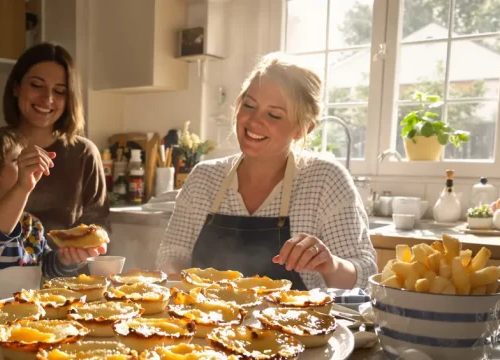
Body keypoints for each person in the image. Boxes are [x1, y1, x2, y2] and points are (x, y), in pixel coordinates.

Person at [156, 53, 377, 290]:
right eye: (249, 105)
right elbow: (172, 253)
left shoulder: (325, 180)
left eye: (274, 114)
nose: (253, 121)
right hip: (207, 323)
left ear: (303, 129)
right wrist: (181, 282)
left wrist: (331, 265)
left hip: (295, 325)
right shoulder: (204, 178)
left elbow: (364, 275)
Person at [0, 128, 107, 297]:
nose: (26, 167)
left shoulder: (30, 224)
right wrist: (23, 187)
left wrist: (65, 259)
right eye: (17, 161)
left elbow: (46, 267)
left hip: (20, 320)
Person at [1, 42, 110, 244]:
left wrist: (79, 254)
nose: (47, 98)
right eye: (36, 85)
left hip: (68, 274)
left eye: (59, 91)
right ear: (16, 87)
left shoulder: (84, 153)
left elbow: (99, 226)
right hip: (1, 274)